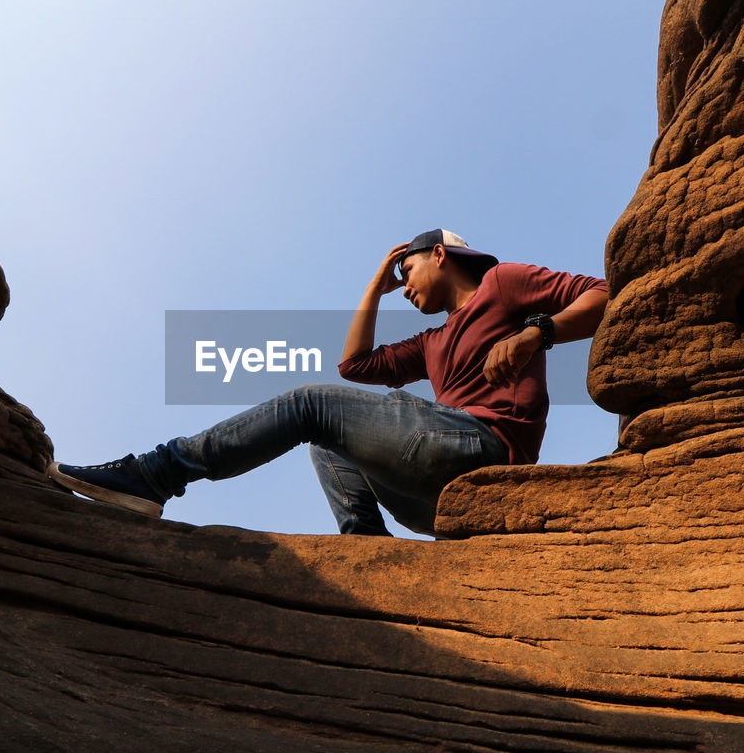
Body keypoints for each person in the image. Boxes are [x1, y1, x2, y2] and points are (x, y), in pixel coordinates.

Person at [47, 229, 608, 537]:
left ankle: (155, 474)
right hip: (433, 496)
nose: (404, 287)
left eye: (405, 272)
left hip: (484, 448)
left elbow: (603, 293)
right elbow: (354, 367)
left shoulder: (502, 285)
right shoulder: (433, 343)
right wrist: (373, 288)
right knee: (326, 437)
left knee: (311, 405)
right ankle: (367, 553)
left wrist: (538, 333)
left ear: (440, 254)